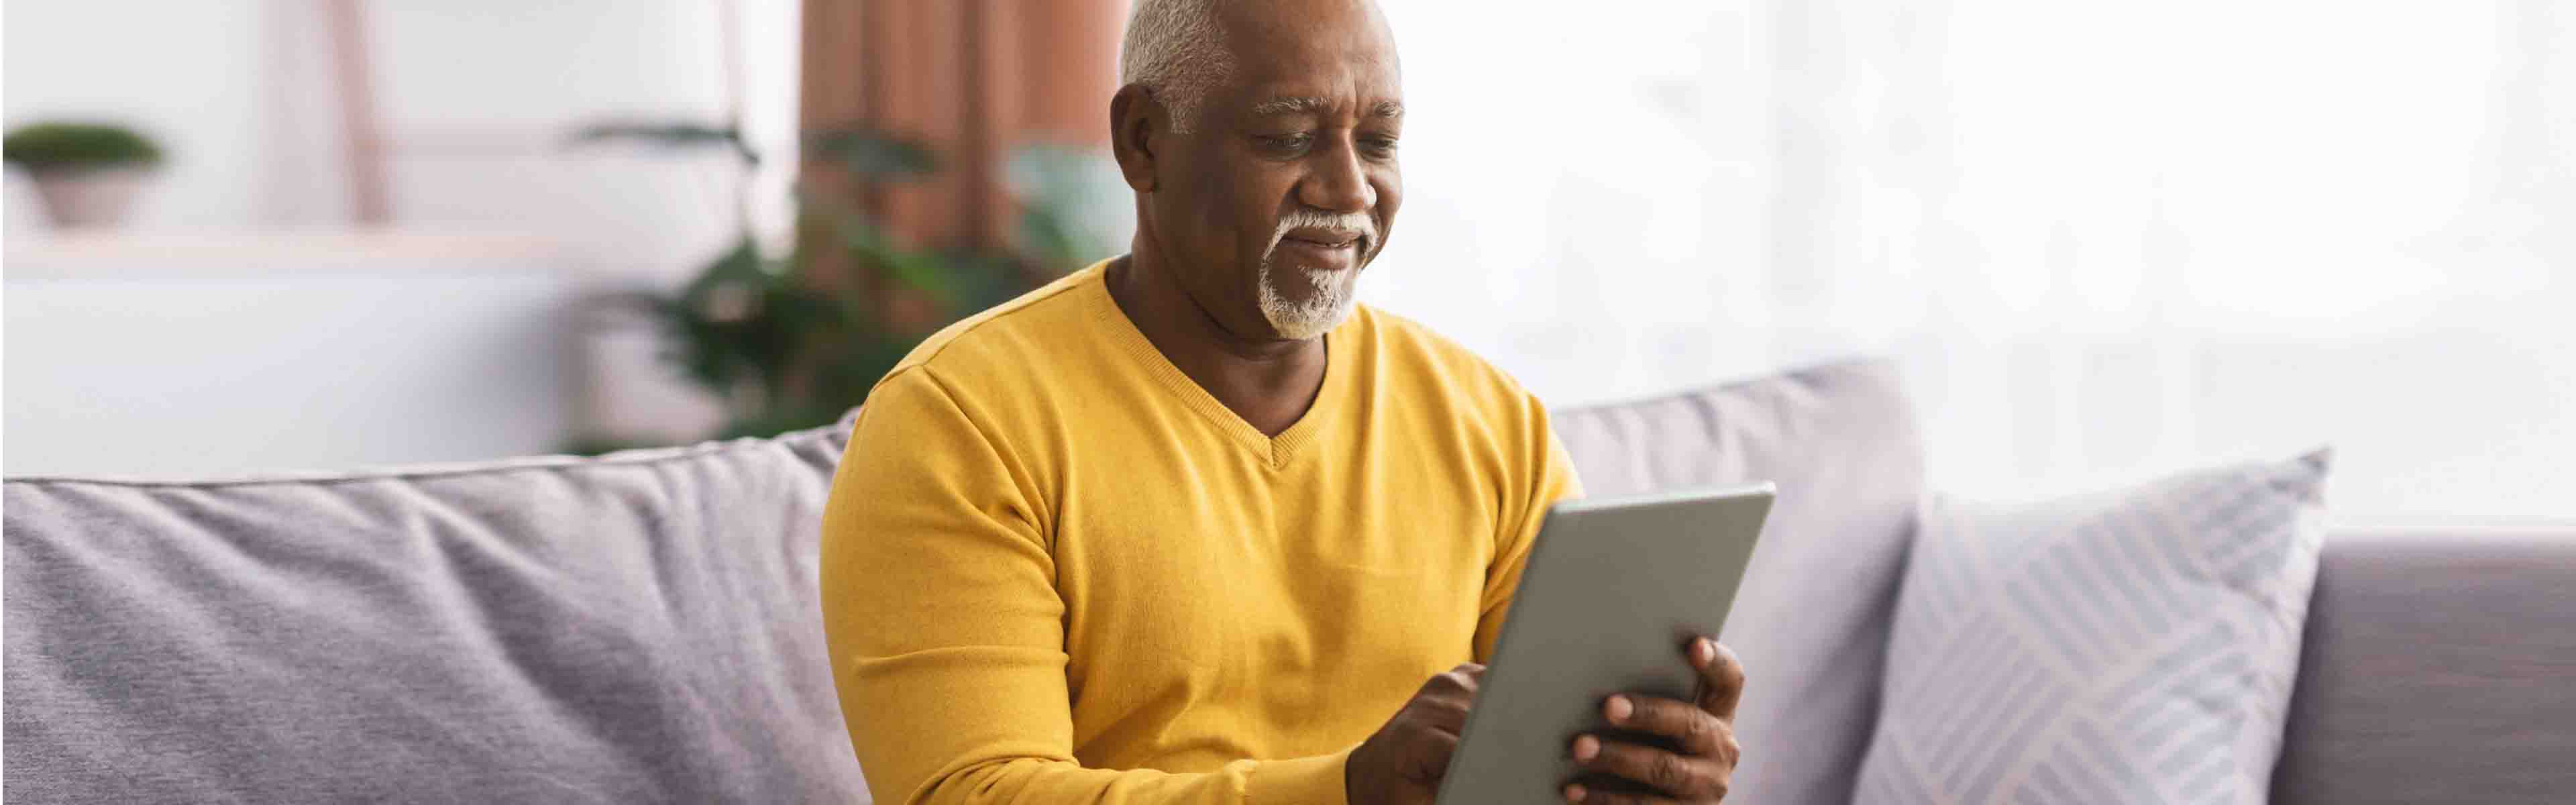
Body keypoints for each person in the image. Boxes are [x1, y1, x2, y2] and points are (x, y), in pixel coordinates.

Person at [819, 1, 1746, 802]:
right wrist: (1346, 791)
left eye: (1378, 139)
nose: (1351, 190)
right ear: (1144, 142)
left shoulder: (1492, 423)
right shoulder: (960, 422)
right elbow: (976, 796)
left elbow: (1531, 770)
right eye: (1288, 136)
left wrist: (1634, 770)